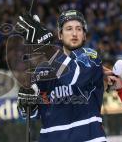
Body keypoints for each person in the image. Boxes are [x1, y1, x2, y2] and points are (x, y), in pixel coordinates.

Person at [17, 10, 107, 142]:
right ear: (60, 35)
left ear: (84, 35)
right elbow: (33, 115)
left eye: (79, 29)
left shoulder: (91, 57)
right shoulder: (42, 69)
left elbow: (71, 78)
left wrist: (46, 47)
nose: (74, 33)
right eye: (69, 29)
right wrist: (26, 105)